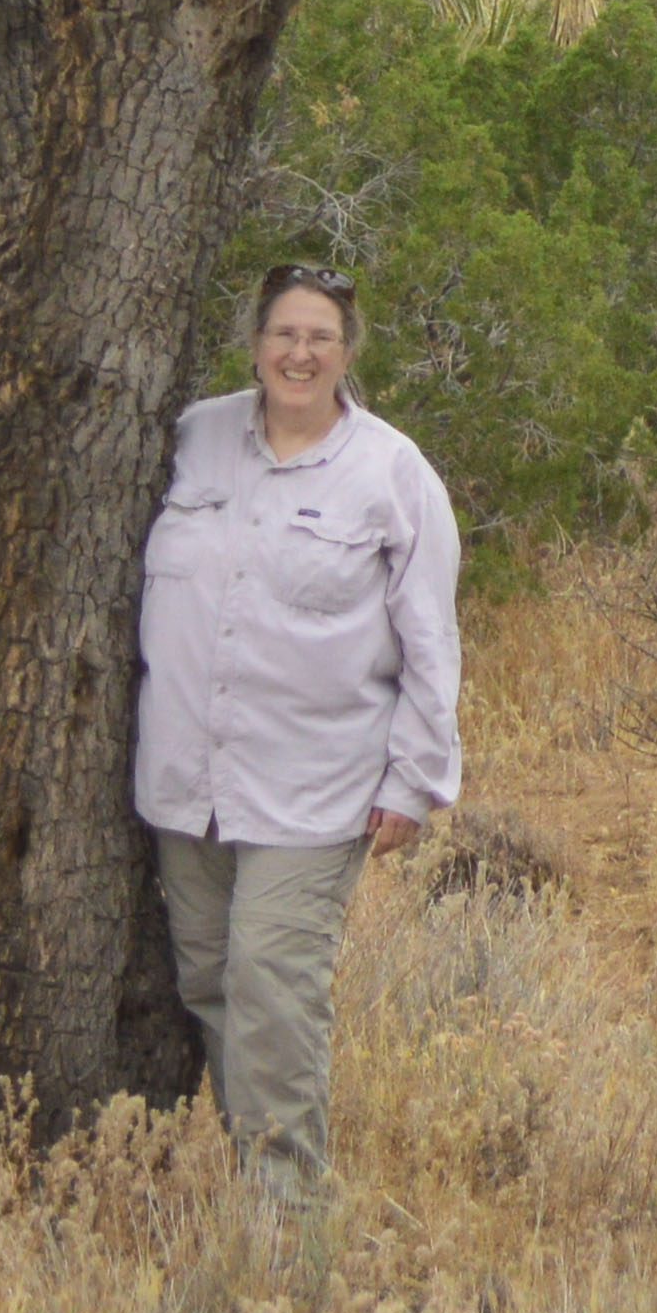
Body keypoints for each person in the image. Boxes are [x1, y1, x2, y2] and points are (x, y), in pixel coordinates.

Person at [131, 261, 462, 1204]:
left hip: (314, 790)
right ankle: (258, 1179)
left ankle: (290, 1221)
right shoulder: (195, 439)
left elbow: (431, 638)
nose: (300, 353)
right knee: (208, 983)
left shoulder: (390, 471)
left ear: (347, 352)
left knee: (273, 990)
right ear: (257, 342)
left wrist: (415, 780)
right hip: (185, 785)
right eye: (284, 334)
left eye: (320, 336)